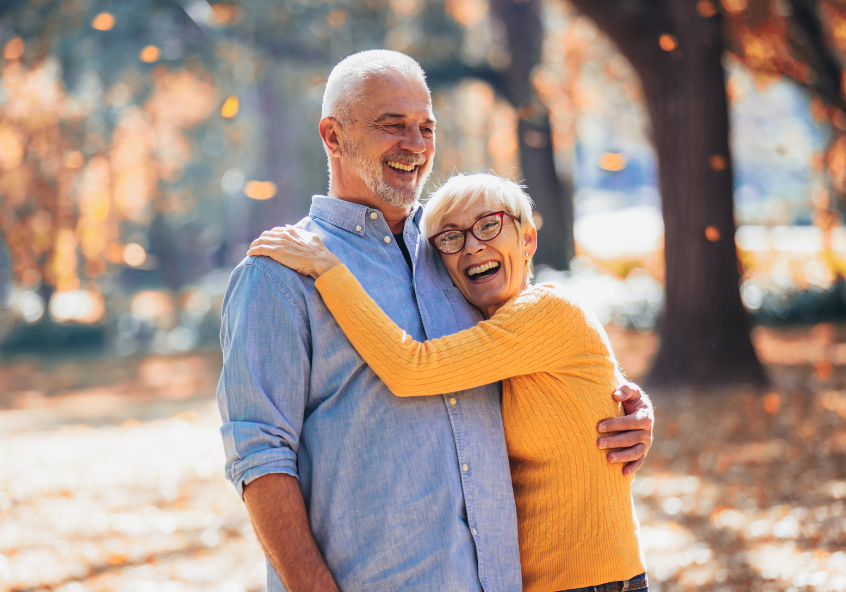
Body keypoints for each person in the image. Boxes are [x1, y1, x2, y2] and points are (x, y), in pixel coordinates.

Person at [218, 49, 654, 592]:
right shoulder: (281, 273)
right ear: (333, 136)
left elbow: (538, 358)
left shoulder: (459, 252)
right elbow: (259, 454)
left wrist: (625, 408)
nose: (416, 145)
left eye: (426, 127)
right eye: (392, 125)